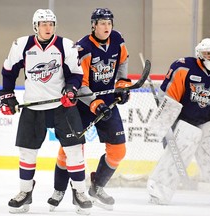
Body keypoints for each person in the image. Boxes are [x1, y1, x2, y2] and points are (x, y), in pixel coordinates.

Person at [0, 9, 92, 214]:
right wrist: (7, 95)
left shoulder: (66, 46)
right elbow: (8, 72)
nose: (48, 27)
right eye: (43, 24)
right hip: (33, 107)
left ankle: (80, 193)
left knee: (74, 151)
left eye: (51, 24)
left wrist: (70, 90)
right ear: (35, 26)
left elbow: (76, 74)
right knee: (27, 152)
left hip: (62, 107)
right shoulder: (21, 45)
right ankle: (25, 192)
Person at [47, 8, 131, 211]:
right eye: (102, 23)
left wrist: (122, 85)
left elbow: (123, 62)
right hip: (83, 105)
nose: (107, 27)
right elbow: (79, 82)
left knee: (118, 150)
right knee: (70, 151)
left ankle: (97, 187)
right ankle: (59, 190)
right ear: (93, 25)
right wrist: (94, 103)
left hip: (108, 102)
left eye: (109, 23)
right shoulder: (83, 48)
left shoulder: (118, 40)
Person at [147, 38, 210, 206]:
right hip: (183, 119)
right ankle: (158, 192)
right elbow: (171, 97)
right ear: (198, 54)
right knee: (174, 155)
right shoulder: (184, 67)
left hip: (208, 120)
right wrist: (167, 122)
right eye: (206, 53)